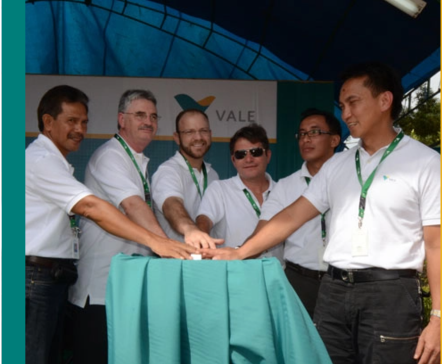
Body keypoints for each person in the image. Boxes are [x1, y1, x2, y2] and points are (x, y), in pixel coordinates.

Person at [203, 62, 440, 364]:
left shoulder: (426, 162)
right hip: (333, 291)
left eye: (353, 102)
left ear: (384, 101)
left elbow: (436, 244)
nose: (346, 115)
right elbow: (292, 216)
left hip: (390, 294)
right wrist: (240, 252)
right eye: (342, 106)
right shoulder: (337, 165)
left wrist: (439, 319)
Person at [25, 85, 196, 364]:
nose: (80, 129)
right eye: (71, 121)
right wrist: (161, 244)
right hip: (55, 282)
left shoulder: (61, 162)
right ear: (47, 121)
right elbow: (96, 207)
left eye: (84, 122)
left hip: (63, 279)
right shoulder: (45, 160)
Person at [68, 89, 172, 364]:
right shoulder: (110, 156)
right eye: (139, 114)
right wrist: (169, 248)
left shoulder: (138, 161)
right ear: (121, 119)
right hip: (101, 290)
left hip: (126, 289)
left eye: (153, 116)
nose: (148, 121)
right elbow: (134, 206)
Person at [256, 108, 341, 317]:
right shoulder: (285, 186)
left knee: (338, 349)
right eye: (302, 134)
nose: (306, 139)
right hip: (299, 282)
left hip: (342, 282)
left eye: (314, 132)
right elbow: (265, 229)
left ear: (334, 140)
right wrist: (239, 252)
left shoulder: (352, 180)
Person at [195, 124, 283, 263]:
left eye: (255, 152)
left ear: (268, 155)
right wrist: (201, 237)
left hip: (279, 276)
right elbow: (204, 220)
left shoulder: (284, 191)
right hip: (236, 274)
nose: (248, 159)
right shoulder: (219, 189)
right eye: (241, 154)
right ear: (233, 160)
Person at [152, 109, 223, 248]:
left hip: (206, 261)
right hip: (176, 263)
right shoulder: (168, 171)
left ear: (210, 134)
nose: (198, 137)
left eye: (203, 130)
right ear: (177, 137)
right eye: (189, 132)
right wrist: (191, 230)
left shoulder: (213, 175)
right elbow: (171, 204)